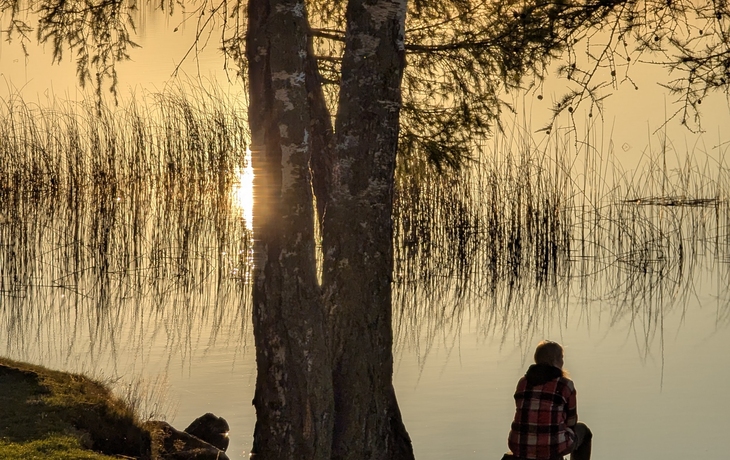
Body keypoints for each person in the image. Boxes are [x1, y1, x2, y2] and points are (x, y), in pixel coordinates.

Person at [504, 340, 592, 460]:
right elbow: (571, 422)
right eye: (561, 358)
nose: (563, 362)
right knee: (584, 432)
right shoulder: (565, 385)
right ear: (555, 361)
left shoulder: (523, 383)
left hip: (519, 446)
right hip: (553, 447)